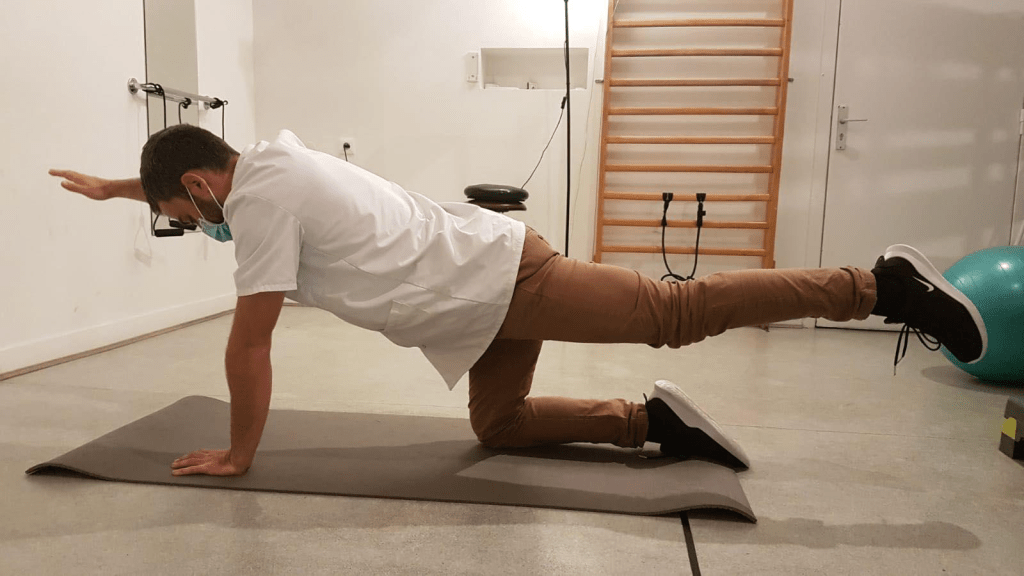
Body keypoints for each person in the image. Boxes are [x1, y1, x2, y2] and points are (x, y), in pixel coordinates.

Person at [49, 125, 986, 477]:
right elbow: (188, 180)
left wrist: (240, 453)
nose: (195, 227)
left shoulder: (257, 205)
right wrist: (119, 189)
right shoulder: (263, 162)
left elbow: (249, 344)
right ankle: (647, 424)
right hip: (474, 307)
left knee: (678, 313)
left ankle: (879, 286)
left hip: (506, 279)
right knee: (500, 427)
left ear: (203, 187)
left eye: (184, 215)